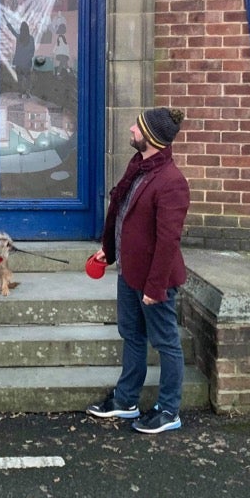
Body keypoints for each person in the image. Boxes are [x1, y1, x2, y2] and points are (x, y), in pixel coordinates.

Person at [86, 107, 190, 434]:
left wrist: (155, 288)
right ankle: (127, 400)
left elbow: (167, 241)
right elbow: (124, 215)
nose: (132, 129)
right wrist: (109, 250)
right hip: (129, 273)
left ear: (153, 138)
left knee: (166, 342)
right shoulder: (139, 167)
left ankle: (169, 409)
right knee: (131, 335)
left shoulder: (171, 182)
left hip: (152, 280)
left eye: (138, 126)